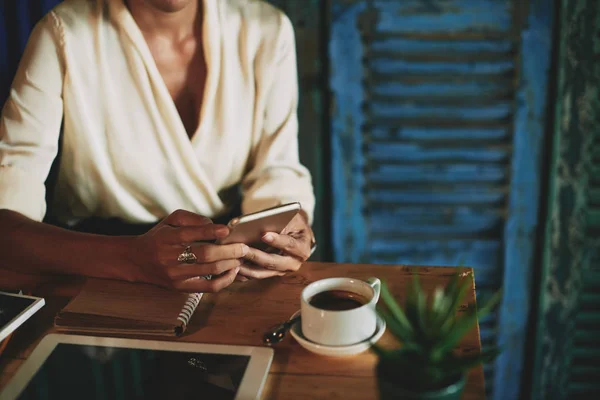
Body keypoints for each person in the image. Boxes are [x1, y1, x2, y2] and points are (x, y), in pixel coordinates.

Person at [0, 0, 316, 293]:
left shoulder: (265, 29)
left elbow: (276, 168)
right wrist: (130, 257)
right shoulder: (64, 34)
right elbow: (7, 225)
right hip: (97, 273)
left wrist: (285, 226)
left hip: (227, 271)